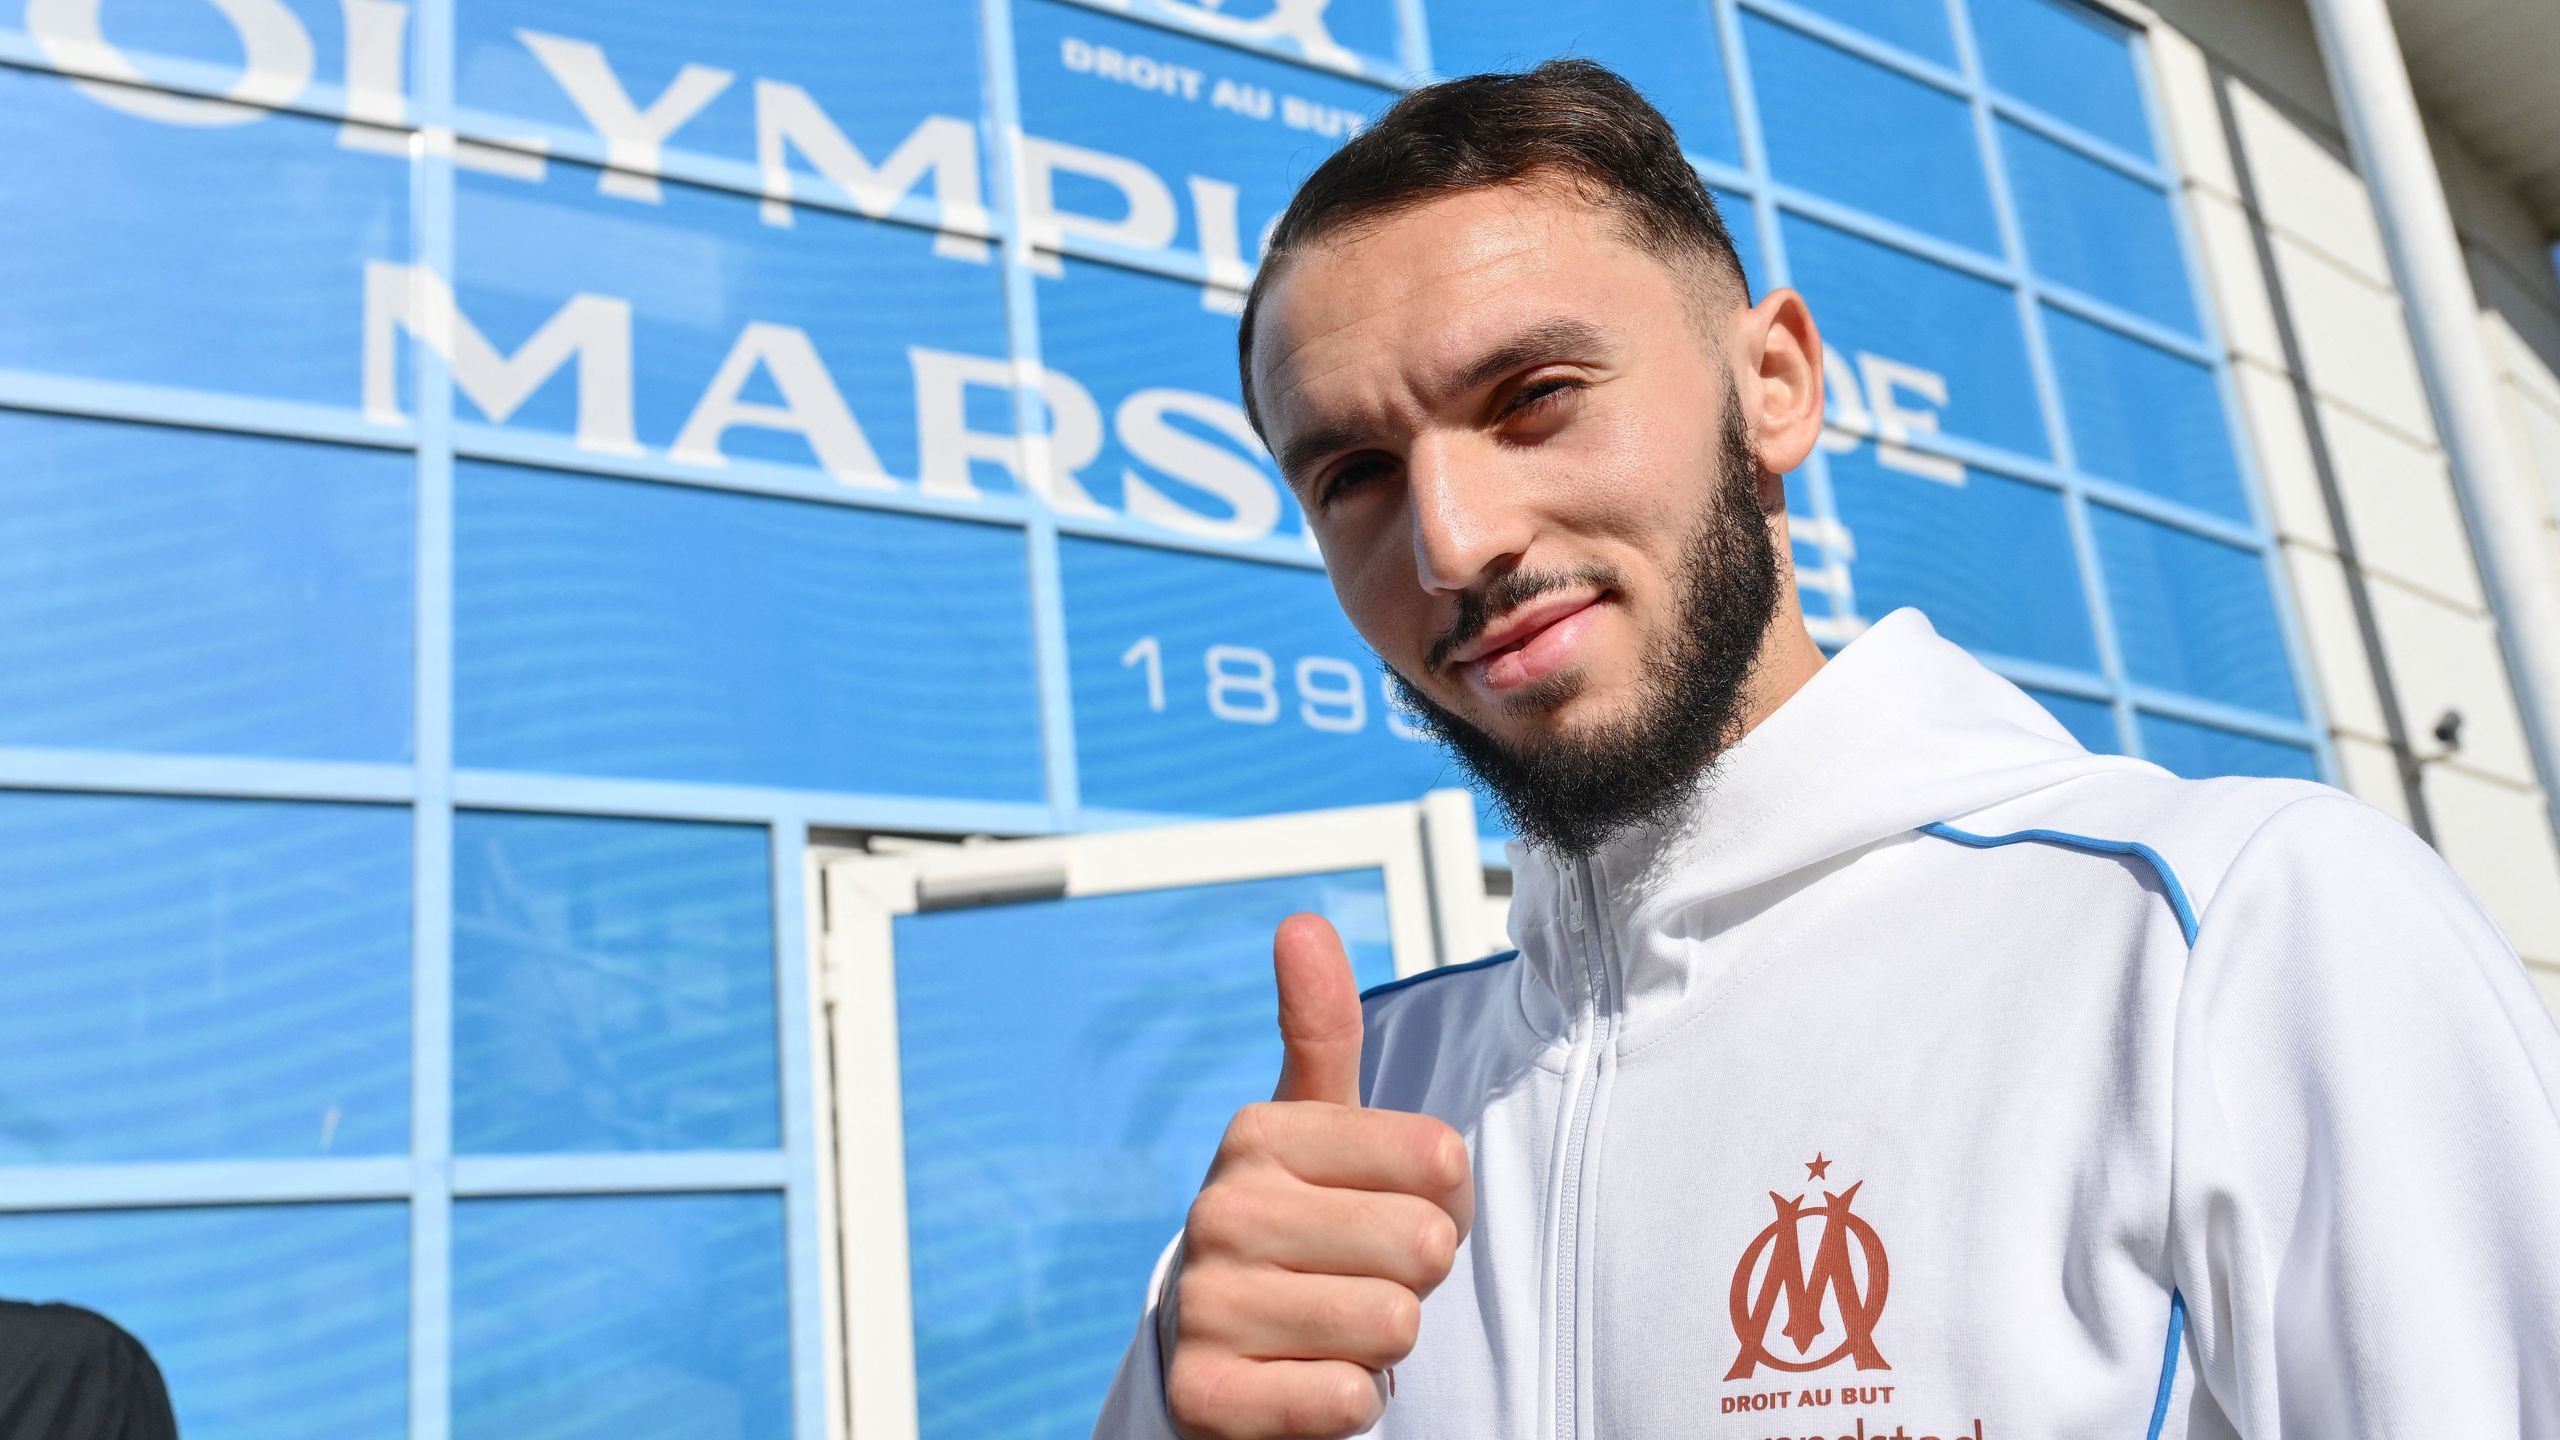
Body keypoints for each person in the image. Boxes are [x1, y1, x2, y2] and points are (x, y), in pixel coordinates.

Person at [1090, 58, 2560, 1440]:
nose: (1455, 541)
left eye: (1533, 400)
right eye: (1353, 474)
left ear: (1774, 384)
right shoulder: (1357, 1129)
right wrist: (1164, 1409)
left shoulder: (2228, 934)